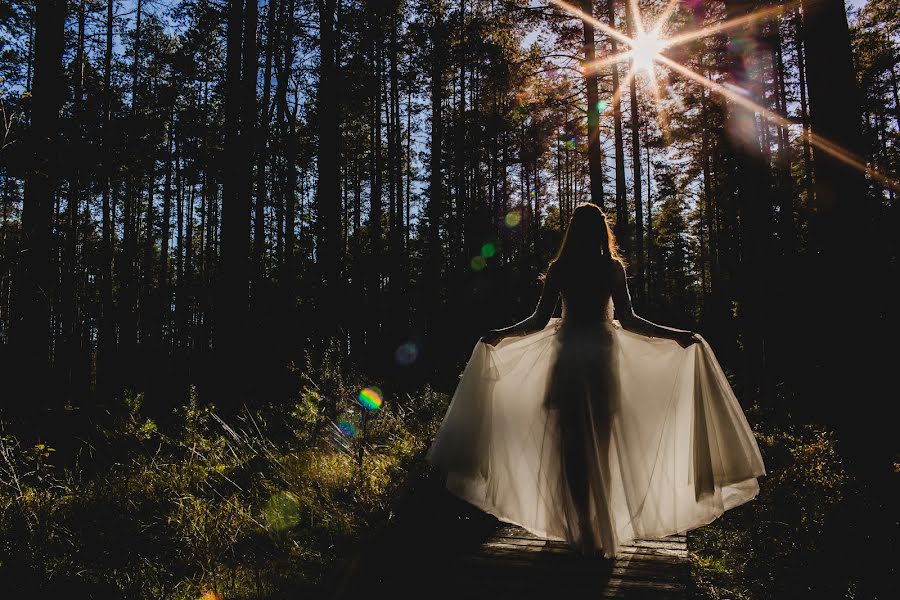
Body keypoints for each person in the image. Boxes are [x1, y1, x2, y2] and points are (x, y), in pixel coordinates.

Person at [426, 202, 766, 558]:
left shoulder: (561, 268)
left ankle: (583, 526)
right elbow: (631, 319)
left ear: (572, 232)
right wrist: (675, 334)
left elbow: (538, 321)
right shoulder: (611, 268)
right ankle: (595, 528)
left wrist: (503, 334)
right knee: (600, 449)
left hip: (569, 360)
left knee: (570, 451)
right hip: (601, 361)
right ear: (602, 230)